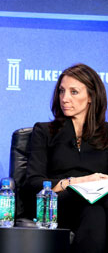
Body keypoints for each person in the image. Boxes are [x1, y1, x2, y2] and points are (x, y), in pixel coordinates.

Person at [25, 63, 108, 253]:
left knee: (95, 210)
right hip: (57, 203)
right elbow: (33, 183)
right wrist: (77, 182)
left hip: (97, 204)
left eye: (73, 92)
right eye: (62, 91)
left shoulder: (107, 134)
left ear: (91, 97)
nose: (65, 98)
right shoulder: (44, 131)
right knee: (92, 205)